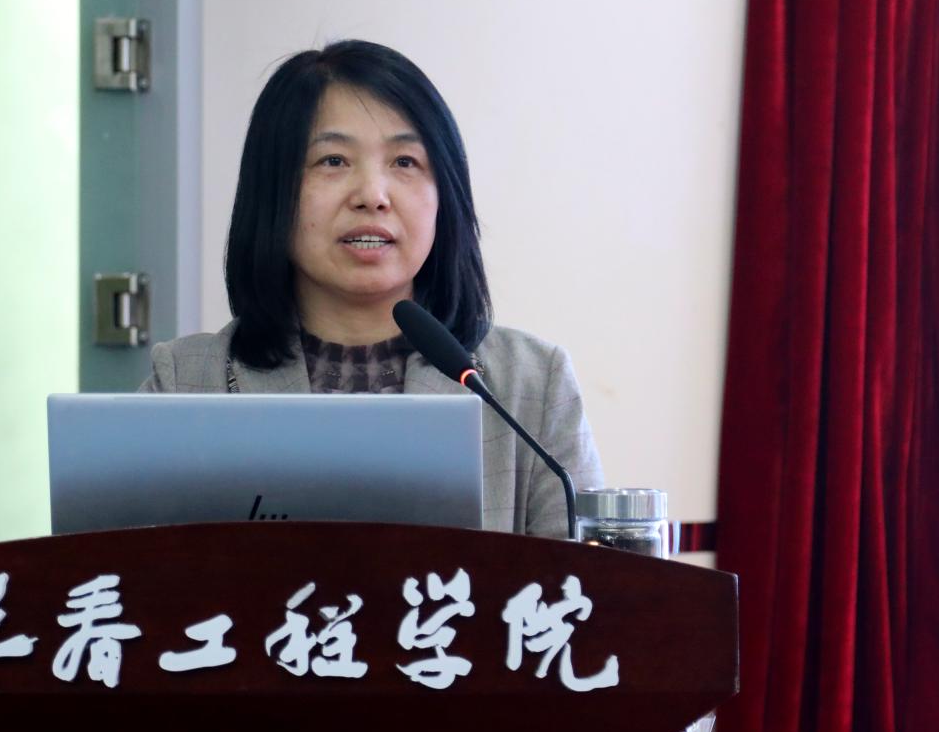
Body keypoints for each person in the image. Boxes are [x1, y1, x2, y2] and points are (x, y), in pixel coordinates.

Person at [141, 40, 604, 537]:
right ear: (273, 189)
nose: (373, 195)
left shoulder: (530, 385)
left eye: (405, 162)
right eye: (333, 160)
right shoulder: (186, 383)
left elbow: (590, 584)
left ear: (444, 194)